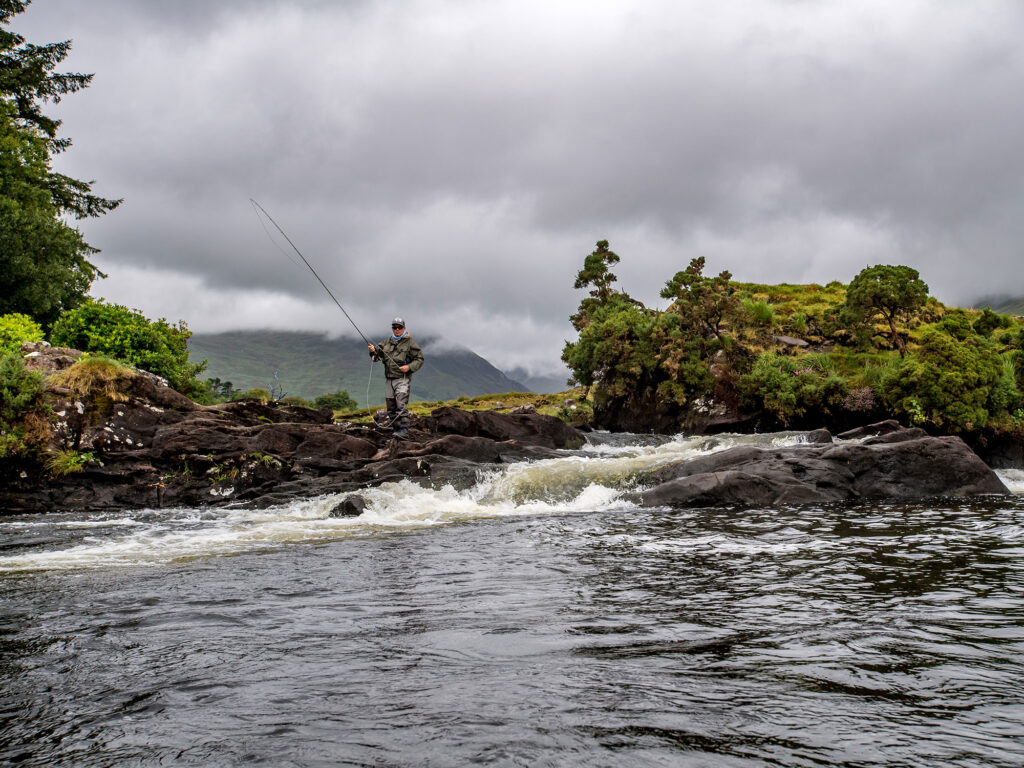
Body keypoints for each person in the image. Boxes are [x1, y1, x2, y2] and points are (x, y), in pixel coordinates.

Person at [367, 317, 424, 439]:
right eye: (394, 327)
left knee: (401, 404)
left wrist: (409, 367)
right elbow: (376, 357)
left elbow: (419, 359)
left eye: (399, 327)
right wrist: (372, 351)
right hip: (389, 379)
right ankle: (397, 430)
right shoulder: (386, 342)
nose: (397, 329)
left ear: (404, 328)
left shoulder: (410, 343)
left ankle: (404, 431)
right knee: (391, 407)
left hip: (402, 379)